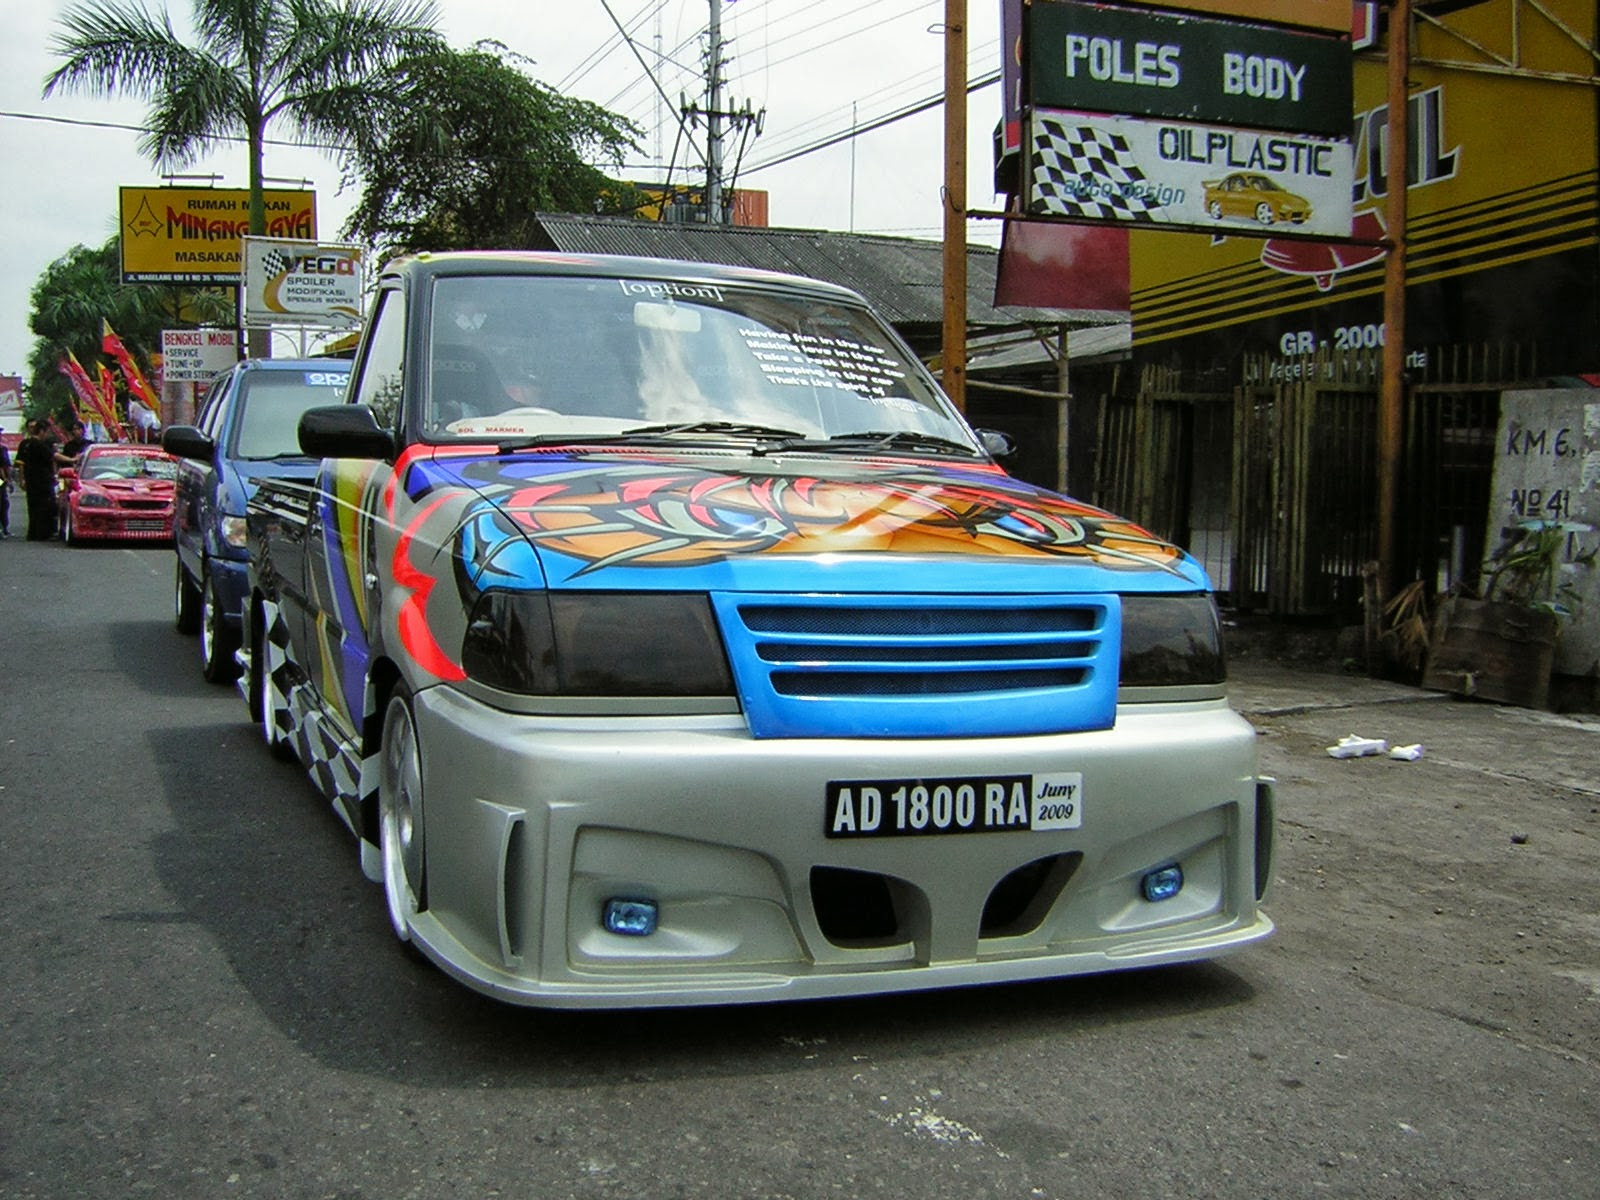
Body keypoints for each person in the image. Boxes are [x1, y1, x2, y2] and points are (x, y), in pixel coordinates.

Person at [15, 420, 58, 541]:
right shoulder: (30, 444)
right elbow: (21, 464)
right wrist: (21, 479)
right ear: (42, 431)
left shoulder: (44, 444)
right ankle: (40, 533)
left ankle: (38, 533)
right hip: (40, 481)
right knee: (42, 506)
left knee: (37, 506)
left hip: (36, 480)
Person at [0, 439, 12, 537]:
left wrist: (7, 480)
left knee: (3, 503)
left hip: (0, 480)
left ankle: (4, 527)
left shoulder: (3, 449)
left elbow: (5, 466)